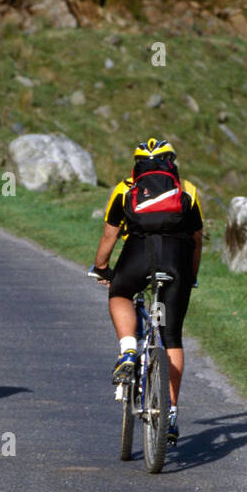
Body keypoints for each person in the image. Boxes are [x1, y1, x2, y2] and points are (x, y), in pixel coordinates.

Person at [89, 138, 203, 445]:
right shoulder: (187, 190)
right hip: (177, 263)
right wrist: (191, 275)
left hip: (138, 259)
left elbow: (110, 235)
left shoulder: (125, 189)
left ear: (136, 165)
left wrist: (101, 268)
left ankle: (128, 350)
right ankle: (172, 412)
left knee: (120, 295)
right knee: (172, 337)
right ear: (172, 163)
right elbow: (196, 238)